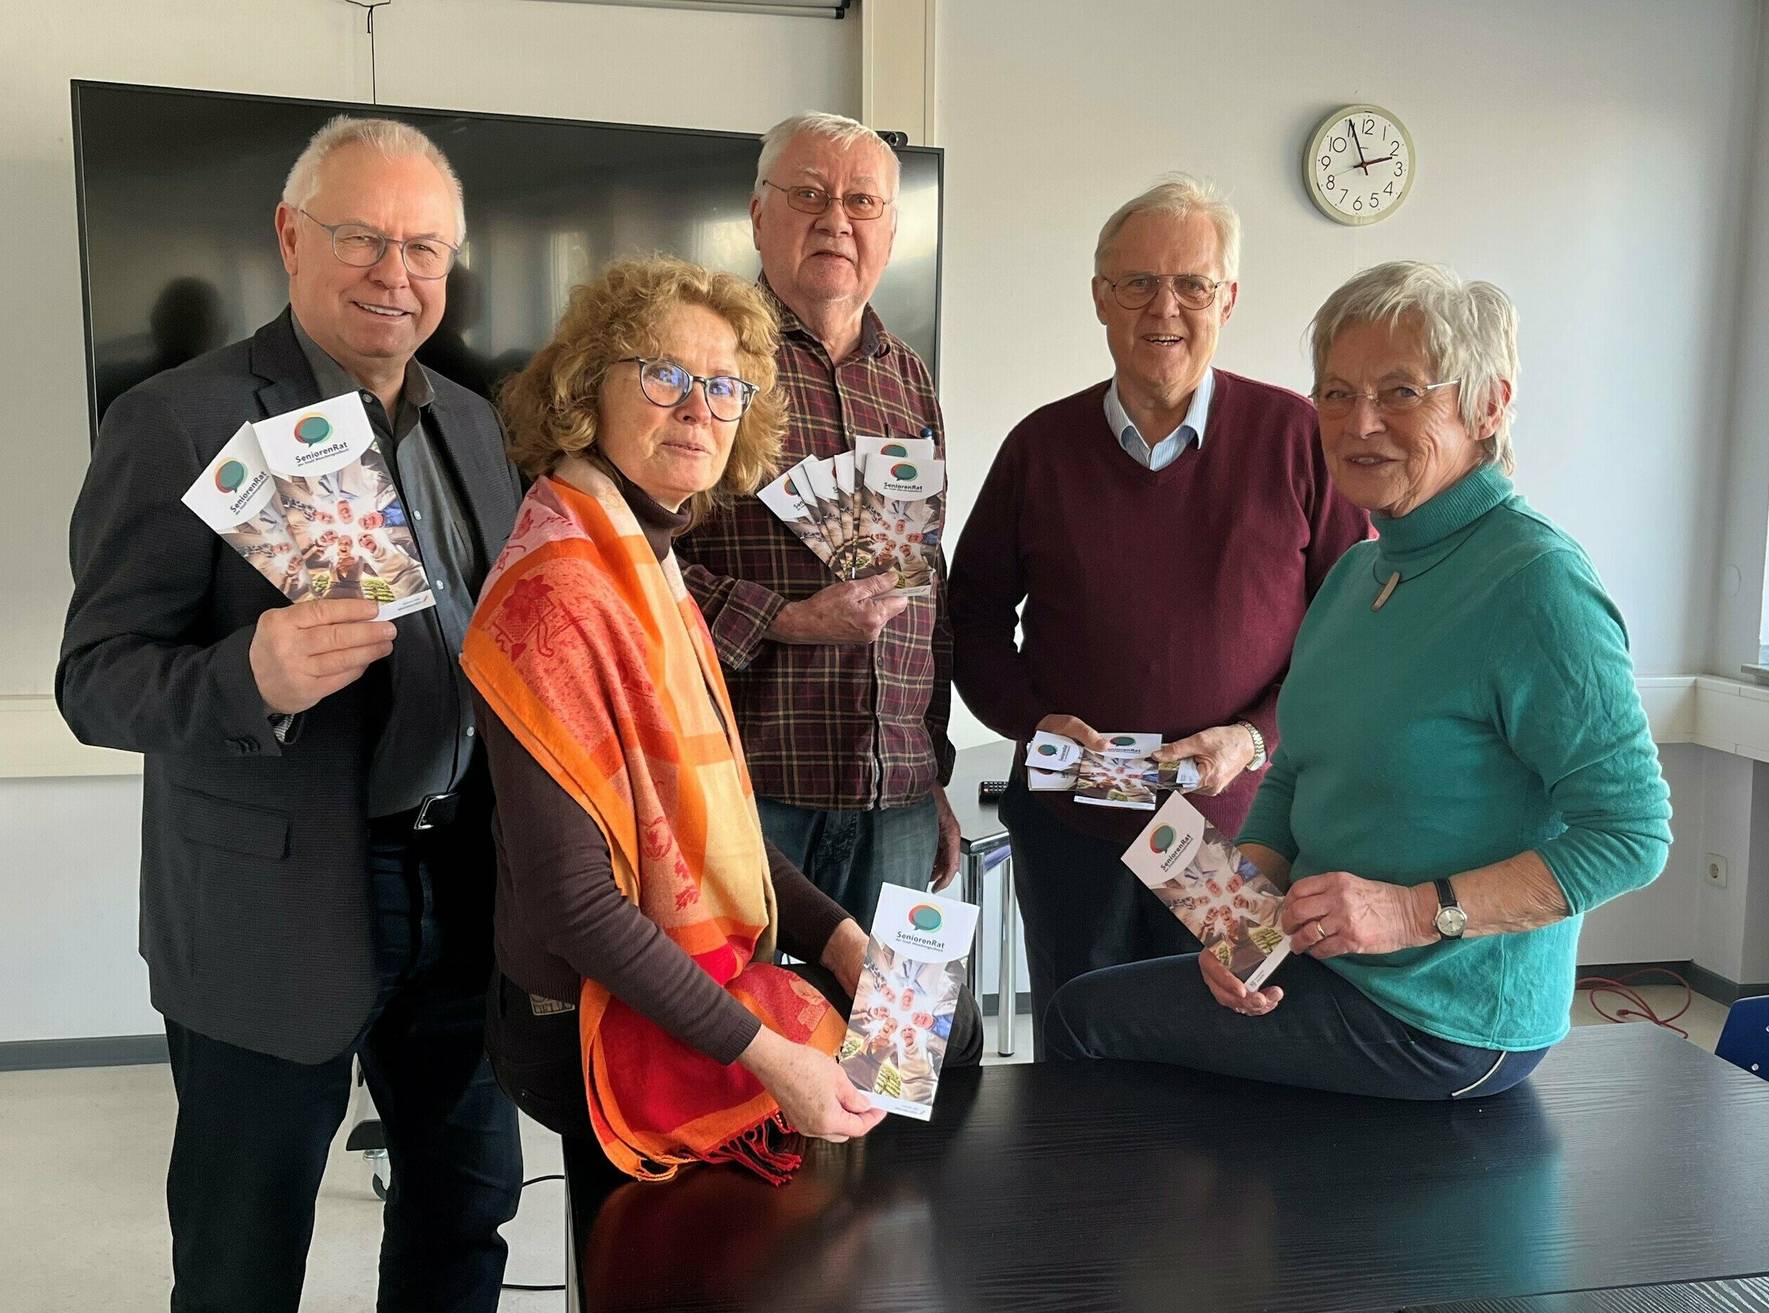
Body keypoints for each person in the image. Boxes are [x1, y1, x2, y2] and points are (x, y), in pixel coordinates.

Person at [57, 116, 524, 1310]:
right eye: (363, 236)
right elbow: (95, 675)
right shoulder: (175, 417)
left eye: (426, 248)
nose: (396, 273)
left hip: (462, 887)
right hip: (271, 905)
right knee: (242, 1252)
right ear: (289, 235)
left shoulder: (475, 422)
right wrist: (244, 677)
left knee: (464, 1215)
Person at [1044, 260, 1674, 1099]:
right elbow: (1298, 773)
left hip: (1443, 1016)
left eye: (1402, 392)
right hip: (1328, 972)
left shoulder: (1535, 583)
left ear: (1489, 404)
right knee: (1109, 1013)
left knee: (1085, 1020)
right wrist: (1240, 933)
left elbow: (1632, 834)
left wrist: (1412, 912)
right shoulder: (1356, 573)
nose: (1359, 422)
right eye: (1335, 394)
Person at [470, 255, 980, 1183]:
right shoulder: (560, 591)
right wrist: (777, 1061)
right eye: (663, 375)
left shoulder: (651, 564)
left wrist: (844, 941)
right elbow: (574, 903)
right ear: (590, 389)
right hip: (585, 1018)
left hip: (679, 984)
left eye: (725, 385)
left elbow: (726, 833)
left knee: (935, 1046)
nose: (699, 408)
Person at [950, 175, 1370, 1054]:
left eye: (1192, 284)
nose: (1164, 307)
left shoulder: (1299, 440)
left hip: (1239, 837)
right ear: (1101, 297)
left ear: (1229, 298)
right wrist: (1034, 722)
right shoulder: (1040, 447)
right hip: (1075, 825)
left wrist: (1253, 736)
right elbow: (974, 619)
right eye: (1137, 282)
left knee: (1232, 1046)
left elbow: (1358, 633)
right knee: (1082, 1041)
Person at [675, 111, 959, 926]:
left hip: (897, 797)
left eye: (862, 202)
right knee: (740, 1040)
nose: (837, 219)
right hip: (746, 790)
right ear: (759, 216)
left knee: (890, 1047)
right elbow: (635, 563)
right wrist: (788, 620)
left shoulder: (910, 378)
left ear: (891, 231)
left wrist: (931, 770)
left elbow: (927, 583)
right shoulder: (707, 358)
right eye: (809, 194)